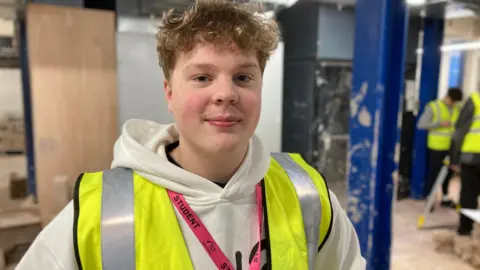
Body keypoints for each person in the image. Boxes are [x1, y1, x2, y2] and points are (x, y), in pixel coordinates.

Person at [16, 1, 365, 269]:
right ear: (169, 93)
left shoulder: (307, 196)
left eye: (243, 77)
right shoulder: (100, 214)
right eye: (202, 77)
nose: (226, 94)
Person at [417, 88, 463, 206]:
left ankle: (446, 197)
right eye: (452, 101)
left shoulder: (457, 108)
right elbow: (421, 124)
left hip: (451, 146)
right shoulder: (434, 106)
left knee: (449, 172)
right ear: (447, 97)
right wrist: (439, 124)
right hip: (436, 146)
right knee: (434, 172)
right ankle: (429, 196)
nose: (453, 104)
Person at [450, 89, 480, 236]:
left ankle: (465, 229)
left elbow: (460, 131)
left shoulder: (475, 100)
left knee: (469, 194)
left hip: (472, 157)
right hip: (472, 157)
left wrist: (455, 158)